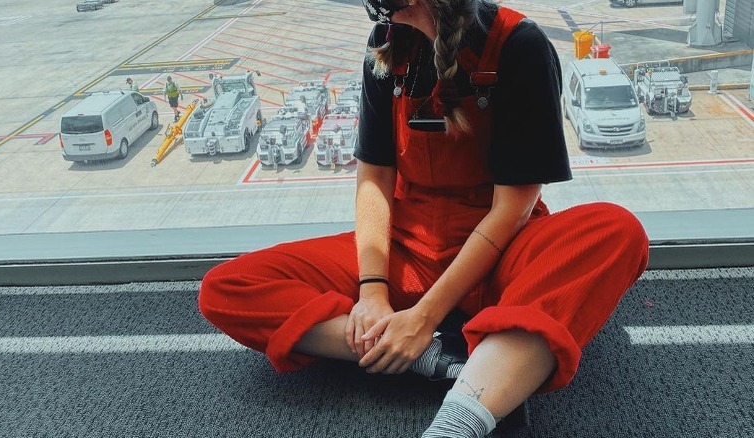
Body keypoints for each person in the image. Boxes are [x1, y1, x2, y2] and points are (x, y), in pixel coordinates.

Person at [198, 0, 650, 437]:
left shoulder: (520, 45)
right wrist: (372, 292)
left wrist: (423, 315)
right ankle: (438, 354)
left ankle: (457, 422)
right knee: (227, 287)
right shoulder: (387, 42)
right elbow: (375, 178)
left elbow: (513, 210)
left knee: (617, 231)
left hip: (500, 253)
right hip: (405, 249)